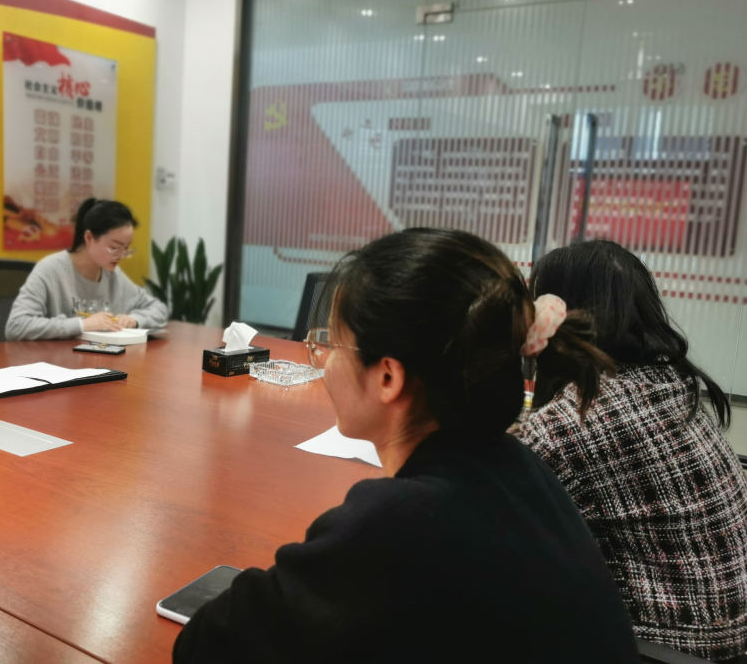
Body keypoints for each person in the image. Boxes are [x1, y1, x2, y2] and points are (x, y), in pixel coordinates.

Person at [173, 228, 639, 664]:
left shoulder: (401, 519)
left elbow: (206, 645)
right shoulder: (518, 468)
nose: (325, 362)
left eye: (333, 344)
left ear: (388, 377)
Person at [518, 240, 747, 663]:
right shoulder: (667, 384)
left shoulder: (577, 421)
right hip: (723, 635)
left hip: (657, 646)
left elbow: (492, 517)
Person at [5, 198, 168, 341]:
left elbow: (159, 309)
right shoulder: (50, 270)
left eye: (126, 248)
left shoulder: (113, 275)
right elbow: (16, 325)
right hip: (57, 362)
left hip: (103, 360)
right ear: (89, 238)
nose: (121, 255)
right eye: (114, 247)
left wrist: (135, 320)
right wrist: (82, 325)